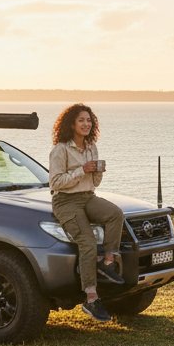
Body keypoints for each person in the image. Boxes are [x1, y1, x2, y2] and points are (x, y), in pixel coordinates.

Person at [48, 103, 125, 323]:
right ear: (71, 124)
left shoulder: (92, 147)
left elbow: (95, 183)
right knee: (88, 242)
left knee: (115, 214)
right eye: (81, 120)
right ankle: (91, 298)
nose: (86, 124)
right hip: (65, 201)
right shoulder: (60, 149)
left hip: (87, 197)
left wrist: (98, 171)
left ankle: (108, 262)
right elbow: (55, 182)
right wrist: (82, 170)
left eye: (89, 120)